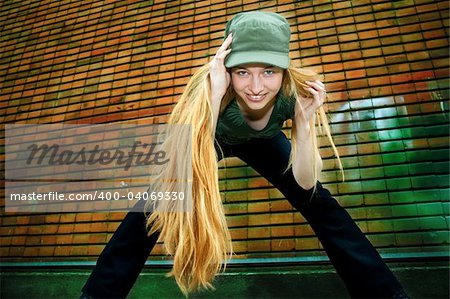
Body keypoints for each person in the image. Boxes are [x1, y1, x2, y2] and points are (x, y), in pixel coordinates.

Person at [80, 11, 409, 298]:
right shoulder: (212, 89)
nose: (255, 87)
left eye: (268, 71)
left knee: (320, 202)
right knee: (154, 205)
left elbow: (306, 182)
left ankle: (384, 293)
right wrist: (215, 92)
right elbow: (186, 156)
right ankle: (99, 294)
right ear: (229, 68)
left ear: (283, 70)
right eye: (242, 72)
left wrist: (305, 124)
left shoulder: (293, 94)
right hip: (210, 137)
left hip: (264, 141)